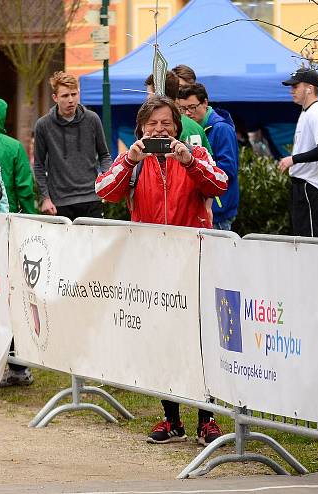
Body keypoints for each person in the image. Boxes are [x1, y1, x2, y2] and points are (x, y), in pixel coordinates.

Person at [96, 96, 228, 446]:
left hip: (194, 262)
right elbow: (103, 190)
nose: (159, 130)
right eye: (152, 124)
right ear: (141, 128)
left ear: (177, 127)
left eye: (166, 123)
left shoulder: (195, 155)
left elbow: (220, 184)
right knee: (161, 341)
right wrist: (128, 160)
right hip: (151, 265)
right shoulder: (134, 163)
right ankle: (171, 419)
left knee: (199, 341)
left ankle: (207, 418)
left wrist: (189, 162)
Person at [33, 71, 111, 221]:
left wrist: (106, 183)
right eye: (65, 96)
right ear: (55, 98)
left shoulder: (92, 119)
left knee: (93, 244)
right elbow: (39, 165)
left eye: (74, 94)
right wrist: (45, 198)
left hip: (91, 198)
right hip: (59, 202)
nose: (71, 100)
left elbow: (104, 155)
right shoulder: (43, 125)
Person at [277, 68, 318, 237]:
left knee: (312, 245)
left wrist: (293, 159)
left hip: (311, 187)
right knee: (304, 243)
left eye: (295, 86)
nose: (291, 91)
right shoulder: (308, 112)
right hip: (305, 187)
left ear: (309, 88)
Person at [178, 83, 239, 231]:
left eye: (192, 107)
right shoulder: (192, 129)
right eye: (183, 109)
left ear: (205, 102)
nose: (187, 113)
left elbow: (228, 170)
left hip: (218, 210)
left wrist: (198, 166)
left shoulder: (221, 129)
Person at [144, 71, 211, 154]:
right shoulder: (196, 127)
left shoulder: (171, 127)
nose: (147, 98)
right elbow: (209, 162)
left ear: (158, 95)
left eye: (149, 95)